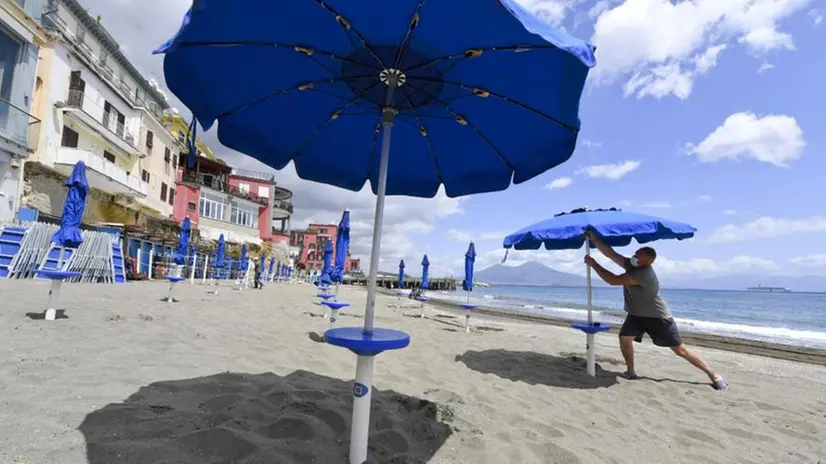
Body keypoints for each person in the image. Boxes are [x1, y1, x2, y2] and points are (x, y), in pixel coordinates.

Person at [583, 230, 728, 390]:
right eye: (635, 254)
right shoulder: (631, 264)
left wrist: (594, 264)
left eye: (639, 258)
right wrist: (594, 238)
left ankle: (713, 374)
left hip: (657, 317)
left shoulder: (644, 274)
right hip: (636, 315)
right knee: (625, 339)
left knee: (680, 350)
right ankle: (630, 371)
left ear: (647, 263)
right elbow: (611, 253)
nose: (634, 258)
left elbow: (612, 280)